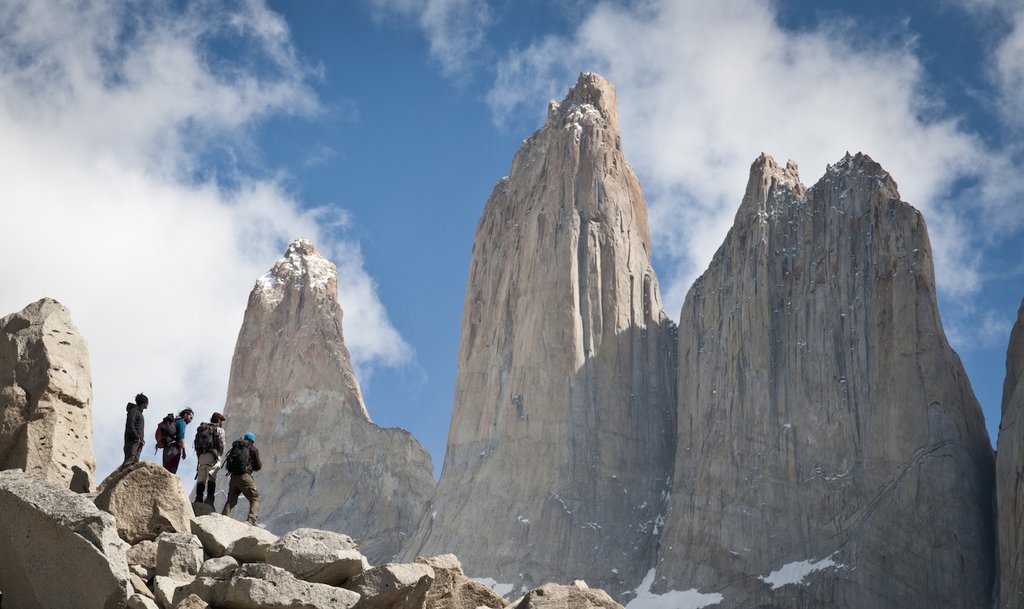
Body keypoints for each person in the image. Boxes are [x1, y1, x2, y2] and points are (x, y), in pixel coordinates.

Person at [222, 431, 262, 526]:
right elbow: (258, 466)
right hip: (245, 477)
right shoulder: (253, 449)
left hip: (233, 477)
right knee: (254, 498)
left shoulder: (236, 447)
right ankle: (251, 520)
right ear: (252, 441)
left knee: (231, 499)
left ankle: (224, 517)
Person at [194, 412, 227, 505]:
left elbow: (196, 444)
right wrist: (219, 454)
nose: (222, 423)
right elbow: (222, 444)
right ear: (219, 420)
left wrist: (200, 455)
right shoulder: (219, 430)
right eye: (222, 421)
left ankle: (198, 499)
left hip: (201, 456)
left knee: (201, 479)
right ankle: (209, 500)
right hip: (213, 456)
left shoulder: (202, 429)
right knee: (211, 477)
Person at [119, 393, 148, 469]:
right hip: (132, 441)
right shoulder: (134, 411)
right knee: (129, 462)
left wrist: (140, 439)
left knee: (135, 462)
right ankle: (124, 477)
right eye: (146, 403)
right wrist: (137, 436)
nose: (147, 406)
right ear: (144, 403)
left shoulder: (137, 412)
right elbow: (130, 425)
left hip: (137, 441)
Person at [162, 407, 194, 474]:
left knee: (166, 468)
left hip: (167, 447)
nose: (191, 421)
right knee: (171, 469)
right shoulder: (182, 422)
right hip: (174, 448)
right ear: (185, 415)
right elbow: (181, 436)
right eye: (190, 418)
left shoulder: (176, 421)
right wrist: (183, 451)